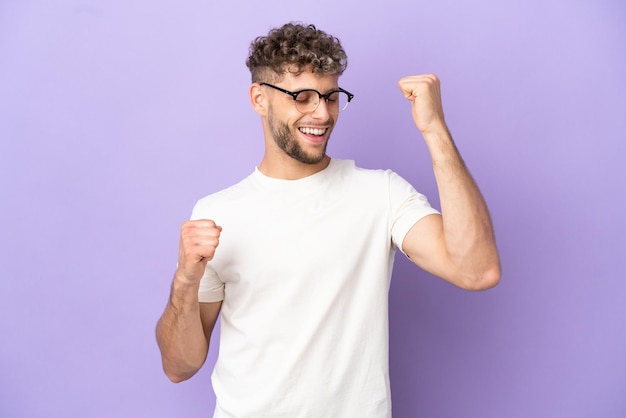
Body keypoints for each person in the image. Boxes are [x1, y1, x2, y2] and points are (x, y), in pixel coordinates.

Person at [156, 22, 501, 418]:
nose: (321, 113)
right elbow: (179, 367)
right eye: (302, 97)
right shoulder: (217, 214)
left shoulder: (381, 194)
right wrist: (185, 280)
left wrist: (434, 128)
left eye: (331, 97)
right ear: (259, 98)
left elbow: (477, 271)